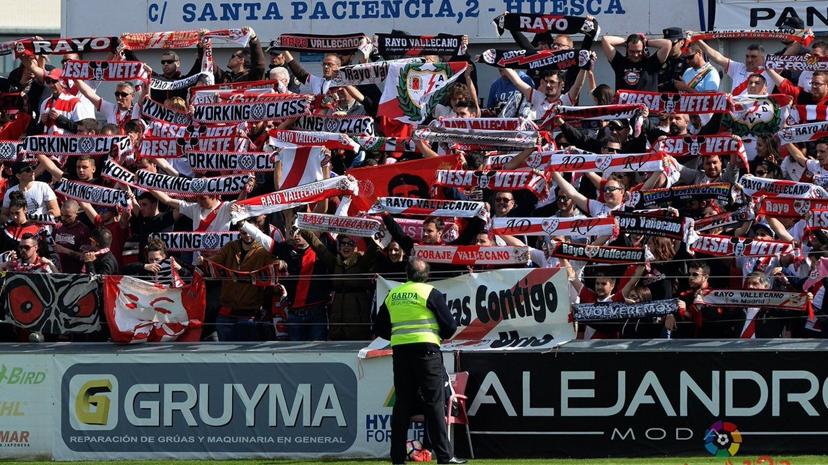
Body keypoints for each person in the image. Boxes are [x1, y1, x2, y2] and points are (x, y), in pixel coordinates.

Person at [373, 257, 465, 465]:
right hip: (427, 351)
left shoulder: (392, 294)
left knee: (402, 404)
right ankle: (445, 456)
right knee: (434, 403)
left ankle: (397, 457)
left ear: (407, 274)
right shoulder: (430, 293)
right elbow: (450, 326)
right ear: (427, 276)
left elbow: (379, 328)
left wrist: (399, 336)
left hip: (401, 352)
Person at [692, 39, 771, 96]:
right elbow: (718, 57)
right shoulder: (738, 67)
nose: (749, 60)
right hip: (735, 115)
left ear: (762, 58)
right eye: (747, 56)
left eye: (753, 57)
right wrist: (698, 41)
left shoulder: (770, 73)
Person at [600, 33, 672, 91]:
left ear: (643, 49)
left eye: (639, 51)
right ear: (627, 48)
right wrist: (626, 41)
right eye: (632, 51)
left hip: (647, 109)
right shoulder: (620, 62)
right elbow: (605, 40)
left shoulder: (652, 63)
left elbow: (667, 44)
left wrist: (646, 42)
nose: (636, 55)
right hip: (625, 109)